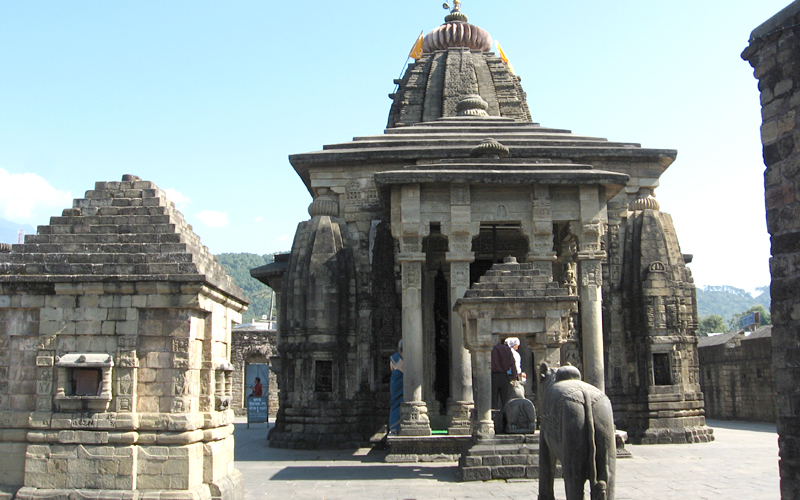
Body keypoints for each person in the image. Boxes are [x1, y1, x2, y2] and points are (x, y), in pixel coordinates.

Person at [491, 337, 516, 410]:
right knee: (506, 400)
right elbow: (513, 364)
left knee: (493, 400)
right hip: (504, 376)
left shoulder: (491, 349)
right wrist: (514, 378)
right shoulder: (507, 349)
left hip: (493, 376)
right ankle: (507, 418)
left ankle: (495, 417)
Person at [389, 340, 404, 434]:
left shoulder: (394, 358)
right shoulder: (396, 358)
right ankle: (394, 427)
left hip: (397, 382)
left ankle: (395, 426)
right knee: (396, 402)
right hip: (397, 383)